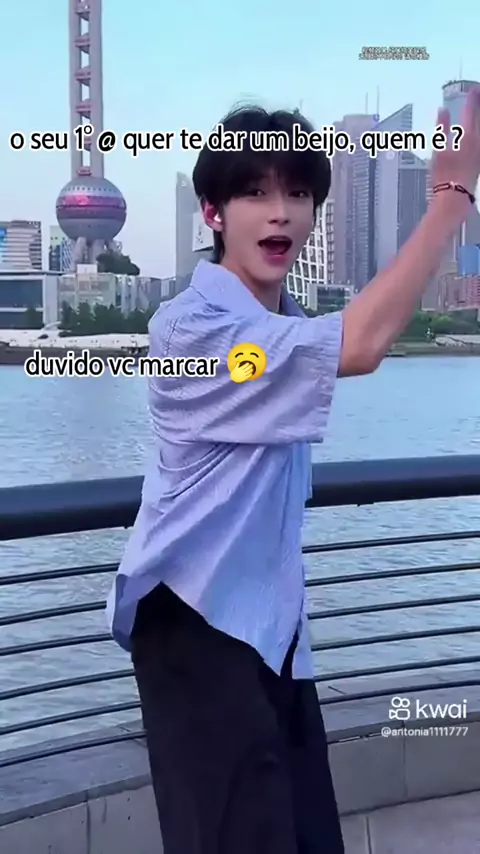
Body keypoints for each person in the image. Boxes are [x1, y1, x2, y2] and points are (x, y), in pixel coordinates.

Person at [107, 92, 480, 853]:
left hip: (270, 633)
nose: (280, 212)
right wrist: (451, 196)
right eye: (254, 192)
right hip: (195, 626)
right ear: (212, 212)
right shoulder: (192, 334)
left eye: (299, 193)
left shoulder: (280, 329)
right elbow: (362, 344)